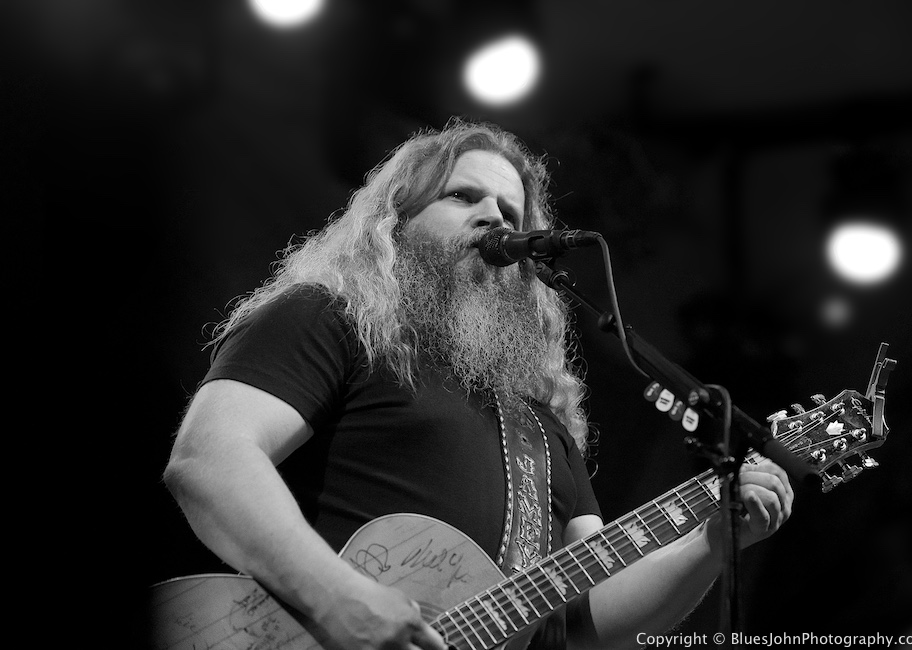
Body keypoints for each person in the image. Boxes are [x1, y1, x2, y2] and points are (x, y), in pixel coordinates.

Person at [164, 118, 794, 649]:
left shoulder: (542, 427)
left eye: (511, 210)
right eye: (463, 197)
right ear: (396, 221)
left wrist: (713, 541)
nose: (494, 217)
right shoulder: (332, 319)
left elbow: (584, 620)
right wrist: (339, 598)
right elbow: (209, 459)